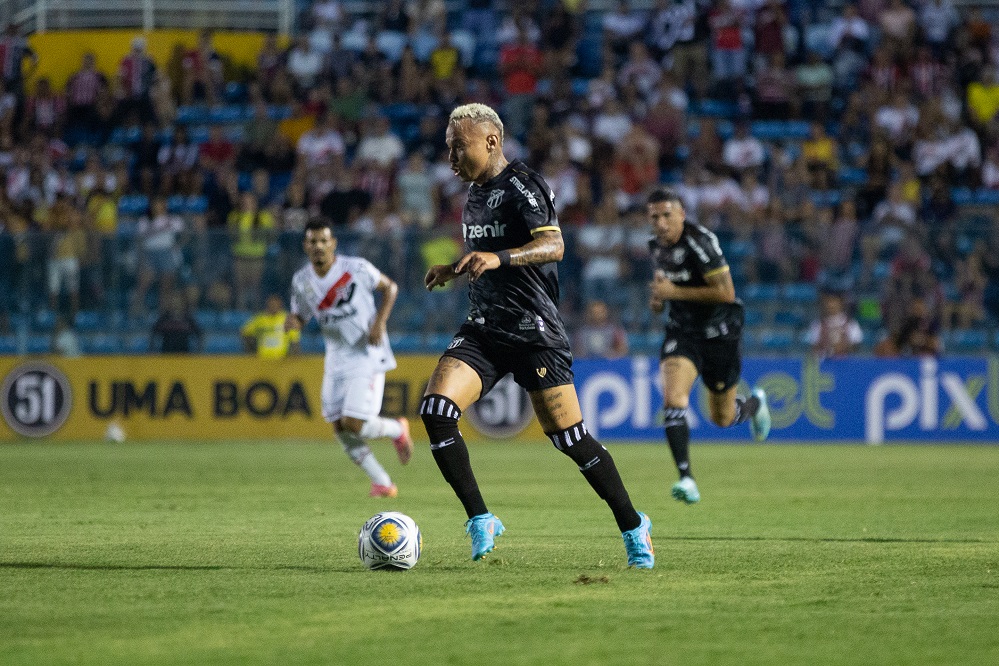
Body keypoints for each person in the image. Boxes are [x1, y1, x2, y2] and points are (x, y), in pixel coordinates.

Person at [422, 103, 654, 568]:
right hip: (485, 327)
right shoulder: (474, 194)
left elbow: (554, 244)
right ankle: (480, 518)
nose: (450, 158)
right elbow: (487, 253)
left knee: (571, 439)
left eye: (458, 147)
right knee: (436, 411)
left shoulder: (523, 184)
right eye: (448, 148)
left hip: (534, 330)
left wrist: (499, 258)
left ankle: (633, 526)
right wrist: (457, 268)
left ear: (491, 141)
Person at [646, 188, 771, 506]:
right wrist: (659, 299)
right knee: (673, 399)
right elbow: (663, 291)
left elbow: (726, 293)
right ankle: (686, 478)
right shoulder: (655, 247)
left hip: (720, 333)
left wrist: (673, 292)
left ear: (682, 214)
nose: (661, 223)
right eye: (654, 217)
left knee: (723, 418)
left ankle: (755, 404)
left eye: (667, 215)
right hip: (682, 332)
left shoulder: (701, 242)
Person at [286, 220, 414, 499]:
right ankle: (382, 482)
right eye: (313, 242)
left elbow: (390, 288)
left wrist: (379, 322)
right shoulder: (301, 281)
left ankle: (396, 429)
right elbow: (302, 315)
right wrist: (294, 322)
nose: (318, 246)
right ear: (306, 246)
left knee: (354, 423)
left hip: (366, 354)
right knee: (339, 426)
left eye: (323, 241)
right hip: (335, 357)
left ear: (333, 244)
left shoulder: (356, 269)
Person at [242, 293, 301, 359]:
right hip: (262, 359)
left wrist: (292, 358)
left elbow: (295, 341)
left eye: (275, 305)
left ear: (280, 305)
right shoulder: (259, 319)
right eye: (272, 304)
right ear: (267, 305)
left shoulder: (287, 320)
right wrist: (251, 350)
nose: (273, 306)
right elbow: (245, 332)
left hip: (281, 359)